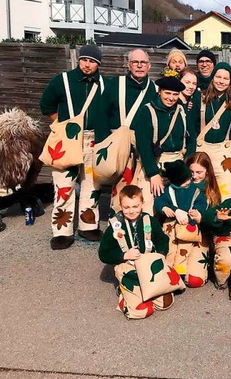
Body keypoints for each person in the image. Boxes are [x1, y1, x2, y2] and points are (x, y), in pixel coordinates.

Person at [40, 44, 104, 250]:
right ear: (79, 60)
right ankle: (62, 231)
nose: (88, 64)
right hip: (67, 141)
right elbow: (46, 104)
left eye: (93, 61)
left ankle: (88, 225)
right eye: (85, 60)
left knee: (91, 185)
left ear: (98, 64)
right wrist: (63, 124)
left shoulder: (104, 83)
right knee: (64, 186)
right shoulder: (63, 80)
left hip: (93, 139)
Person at [97, 49, 158, 216]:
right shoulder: (115, 84)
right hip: (119, 144)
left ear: (149, 66)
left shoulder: (154, 89)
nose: (139, 66)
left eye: (143, 63)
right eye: (135, 62)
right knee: (120, 188)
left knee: (142, 188)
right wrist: (104, 143)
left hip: (143, 147)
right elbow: (101, 114)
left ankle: (141, 225)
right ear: (129, 65)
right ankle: (118, 227)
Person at [98, 185, 173, 320]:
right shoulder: (115, 226)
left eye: (135, 206)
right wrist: (124, 255)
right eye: (126, 207)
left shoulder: (149, 220)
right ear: (121, 206)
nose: (131, 211)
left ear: (142, 204)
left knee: (165, 303)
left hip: (147, 265)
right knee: (143, 311)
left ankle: (143, 292)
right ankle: (124, 294)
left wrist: (160, 254)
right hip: (127, 267)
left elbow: (162, 240)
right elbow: (103, 253)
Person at [134, 75, 196, 210]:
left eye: (175, 94)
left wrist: (186, 164)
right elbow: (143, 145)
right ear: (159, 91)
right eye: (167, 93)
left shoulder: (182, 111)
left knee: (180, 206)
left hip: (178, 163)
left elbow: (192, 140)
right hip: (154, 162)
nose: (171, 98)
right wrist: (153, 173)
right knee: (147, 206)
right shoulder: (147, 111)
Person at [154, 160, 209, 288]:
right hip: (171, 225)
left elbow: (202, 203)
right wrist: (165, 208)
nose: (188, 181)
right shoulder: (169, 191)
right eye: (185, 180)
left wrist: (196, 213)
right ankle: (167, 271)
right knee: (170, 249)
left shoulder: (195, 190)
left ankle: (180, 271)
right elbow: (159, 201)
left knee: (184, 249)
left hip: (188, 226)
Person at [197, 62, 231, 200]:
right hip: (202, 150)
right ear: (213, 78)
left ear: (230, 81)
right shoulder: (199, 98)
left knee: (226, 192)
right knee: (201, 191)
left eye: (226, 79)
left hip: (224, 153)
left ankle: (224, 219)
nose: (221, 81)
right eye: (218, 77)